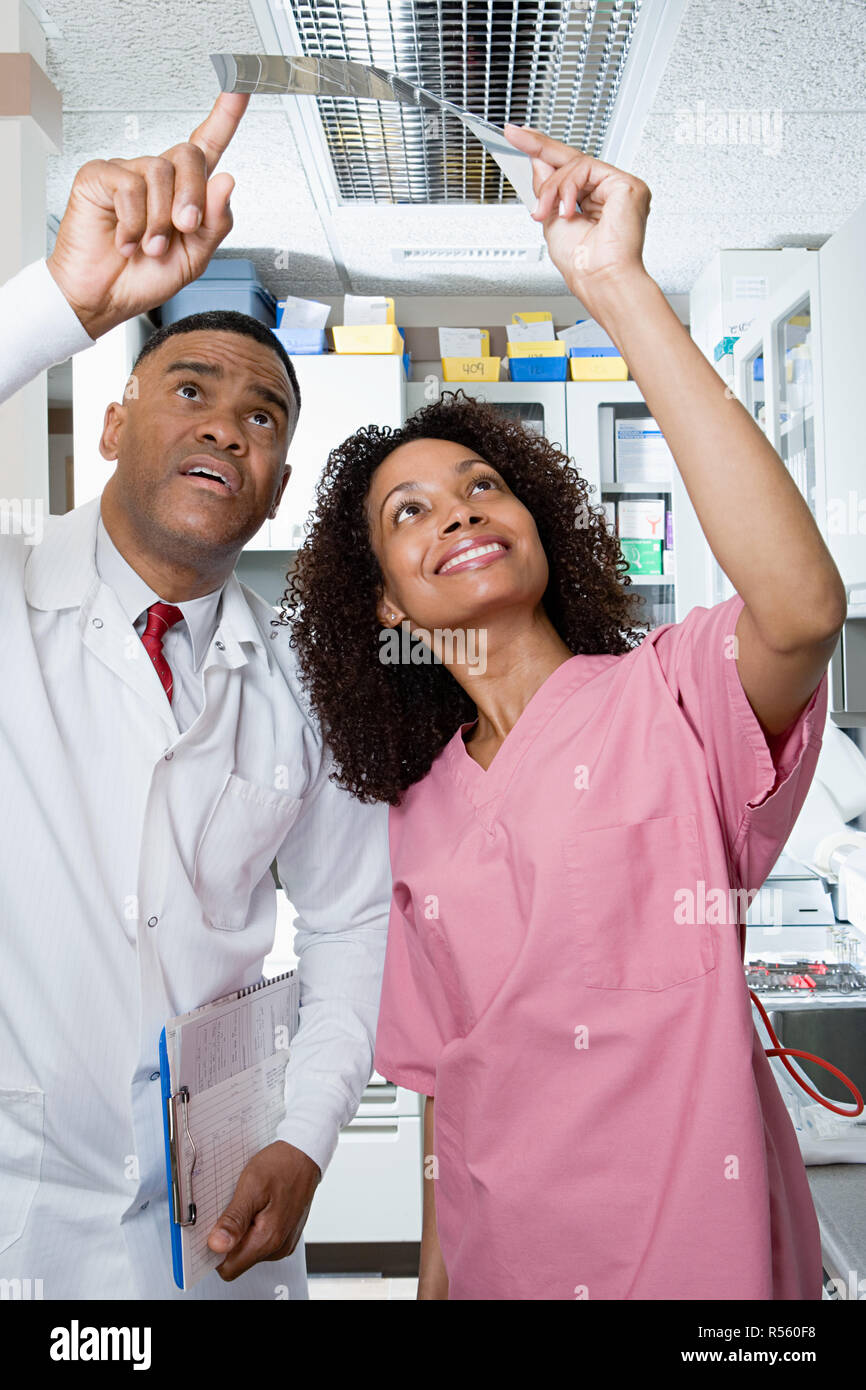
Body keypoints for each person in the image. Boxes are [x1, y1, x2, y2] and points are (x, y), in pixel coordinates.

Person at [281, 126, 848, 1300]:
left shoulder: (675, 695)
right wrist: (431, 1289)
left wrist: (613, 285)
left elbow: (798, 609)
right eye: (409, 511)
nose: (456, 509)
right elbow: (445, 1091)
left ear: (536, 516)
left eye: (482, 483)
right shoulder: (417, 814)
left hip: (705, 1269)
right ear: (383, 599)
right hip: (505, 1263)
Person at [0, 92, 391, 1300]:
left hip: (210, 1230)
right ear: (112, 424)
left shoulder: (304, 688)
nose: (228, 422)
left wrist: (308, 1131)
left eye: (263, 413)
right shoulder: (12, 594)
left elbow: (349, 920)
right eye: (190, 388)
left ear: (275, 486)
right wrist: (61, 306)